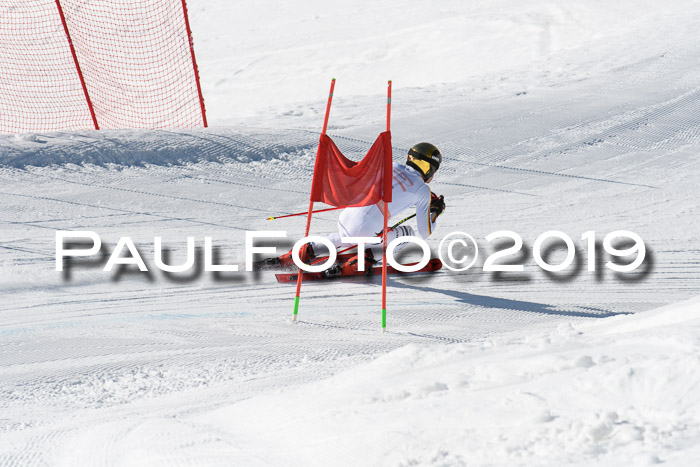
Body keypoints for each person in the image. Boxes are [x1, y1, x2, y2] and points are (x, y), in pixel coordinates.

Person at [278, 142, 445, 275]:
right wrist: (434, 211)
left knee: (347, 237)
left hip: (345, 218)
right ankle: (363, 260)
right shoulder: (422, 189)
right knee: (409, 233)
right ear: (430, 168)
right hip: (366, 230)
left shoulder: (392, 166)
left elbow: (392, 188)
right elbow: (425, 232)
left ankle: (307, 249)